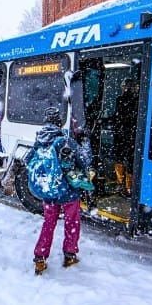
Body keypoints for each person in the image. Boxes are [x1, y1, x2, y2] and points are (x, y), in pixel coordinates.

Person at [25, 106, 92, 275]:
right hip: (68, 192)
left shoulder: (40, 141)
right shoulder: (65, 140)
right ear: (58, 121)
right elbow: (85, 160)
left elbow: (27, 160)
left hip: (49, 192)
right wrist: (85, 142)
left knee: (48, 223)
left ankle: (40, 257)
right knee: (72, 222)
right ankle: (70, 255)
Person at [112, 77, 139, 196]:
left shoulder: (120, 99)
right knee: (131, 161)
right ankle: (129, 187)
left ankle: (120, 183)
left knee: (119, 159)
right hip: (132, 134)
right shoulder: (137, 100)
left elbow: (117, 117)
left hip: (120, 134)